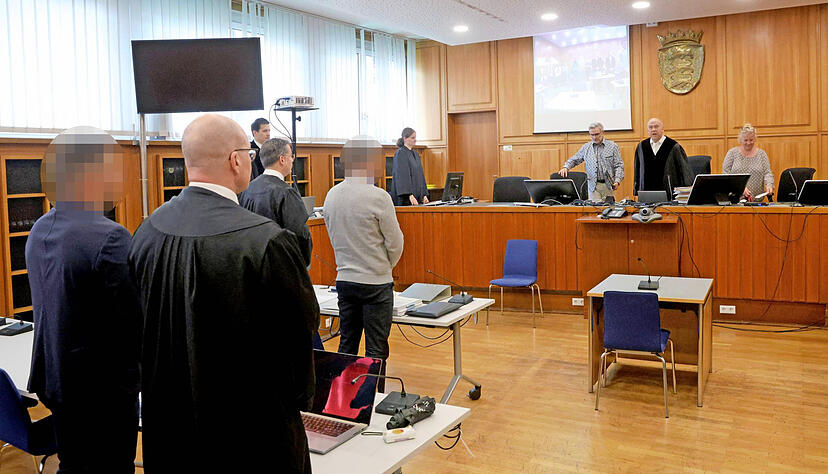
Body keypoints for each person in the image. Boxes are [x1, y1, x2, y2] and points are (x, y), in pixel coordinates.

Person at [129, 114, 319, 472]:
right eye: (249, 153)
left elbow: (134, 328)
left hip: (169, 426)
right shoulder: (266, 241)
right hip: (250, 434)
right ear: (236, 160)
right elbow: (297, 337)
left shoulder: (147, 231)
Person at [26, 126, 140, 473]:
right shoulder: (110, 237)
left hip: (56, 378)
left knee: (73, 461)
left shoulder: (39, 228)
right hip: (101, 390)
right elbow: (134, 318)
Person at [323, 135, 404, 391]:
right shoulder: (378, 197)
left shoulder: (331, 195)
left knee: (347, 344)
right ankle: (371, 402)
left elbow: (333, 235)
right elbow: (395, 243)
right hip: (376, 282)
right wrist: (384, 267)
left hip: (345, 280)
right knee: (376, 350)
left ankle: (340, 402)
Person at [240, 138, 312, 266]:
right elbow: (300, 235)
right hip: (279, 265)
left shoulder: (246, 190)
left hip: (251, 264)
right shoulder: (285, 192)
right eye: (291, 156)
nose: (292, 160)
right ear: (282, 159)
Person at [558, 122, 624, 201]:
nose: (594, 137)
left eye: (597, 134)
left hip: (608, 185)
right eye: (592, 135)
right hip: (593, 186)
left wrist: (617, 181)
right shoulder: (586, 147)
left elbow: (619, 165)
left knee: (608, 207)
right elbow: (575, 159)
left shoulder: (612, 146)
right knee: (594, 207)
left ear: (602, 132)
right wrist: (566, 167)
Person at [633, 117, 694, 197]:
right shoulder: (641, 146)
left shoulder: (673, 146)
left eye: (656, 127)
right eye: (650, 127)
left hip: (669, 193)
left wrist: (686, 191)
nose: (653, 129)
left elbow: (684, 169)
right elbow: (637, 170)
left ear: (662, 129)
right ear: (648, 131)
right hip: (646, 194)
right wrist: (636, 190)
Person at [723, 123, 774, 200]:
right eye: (745, 140)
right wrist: (740, 187)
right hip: (735, 200)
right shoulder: (732, 153)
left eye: (751, 140)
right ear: (740, 140)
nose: (748, 143)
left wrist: (769, 185)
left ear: (755, 139)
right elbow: (726, 175)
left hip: (756, 201)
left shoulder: (762, 154)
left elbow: (767, 173)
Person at [390, 127, 428, 206]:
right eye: (412, 138)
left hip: (417, 196)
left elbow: (420, 175)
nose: (415, 140)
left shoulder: (416, 154)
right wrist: (409, 195)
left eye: (415, 137)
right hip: (407, 198)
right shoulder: (400, 153)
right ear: (405, 138)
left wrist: (424, 195)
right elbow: (402, 176)